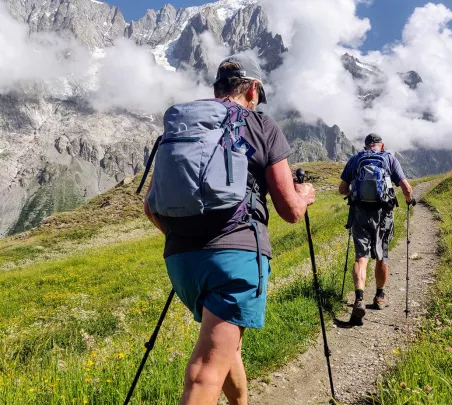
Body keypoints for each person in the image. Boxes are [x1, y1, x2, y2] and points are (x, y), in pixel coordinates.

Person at [143, 53, 315, 405]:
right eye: (259, 94)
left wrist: (186, 237)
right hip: (235, 257)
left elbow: (150, 206)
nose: (258, 101)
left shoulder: (185, 126)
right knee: (205, 372)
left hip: (180, 261)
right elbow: (290, 211)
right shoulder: (260, 124)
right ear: (253, 88)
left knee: (225, 345)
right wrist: (306, 195)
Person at [338, 133, 413, 326]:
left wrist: (355, 189)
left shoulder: (356, 159)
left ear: (365, 147)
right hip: (383, 214)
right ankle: (379, 296)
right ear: (381, 145)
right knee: (382, 255)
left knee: (361, 257)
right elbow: (405, 186)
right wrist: (409, 200)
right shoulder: (389, 158)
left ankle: (359, 298)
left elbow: (342, 189)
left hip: (360, 213)